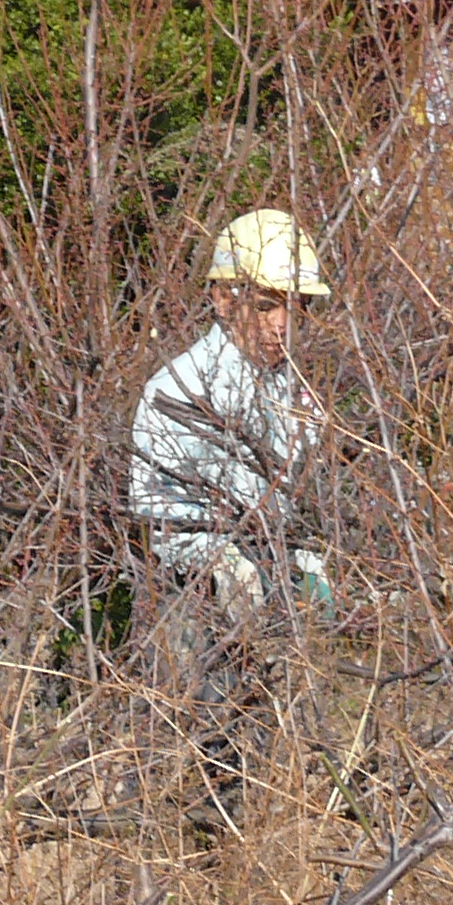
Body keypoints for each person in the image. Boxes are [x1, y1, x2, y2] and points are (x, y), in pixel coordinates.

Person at [130, 208, 333, 618]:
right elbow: (156, 513)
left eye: (298, 307)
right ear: (223, 299)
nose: (283, 325)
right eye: (265, 306)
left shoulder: (296, 393)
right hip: (189, 607)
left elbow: (303, 500)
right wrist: (222, 562)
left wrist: (308, 561)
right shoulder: (174, 391)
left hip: (278, 602)